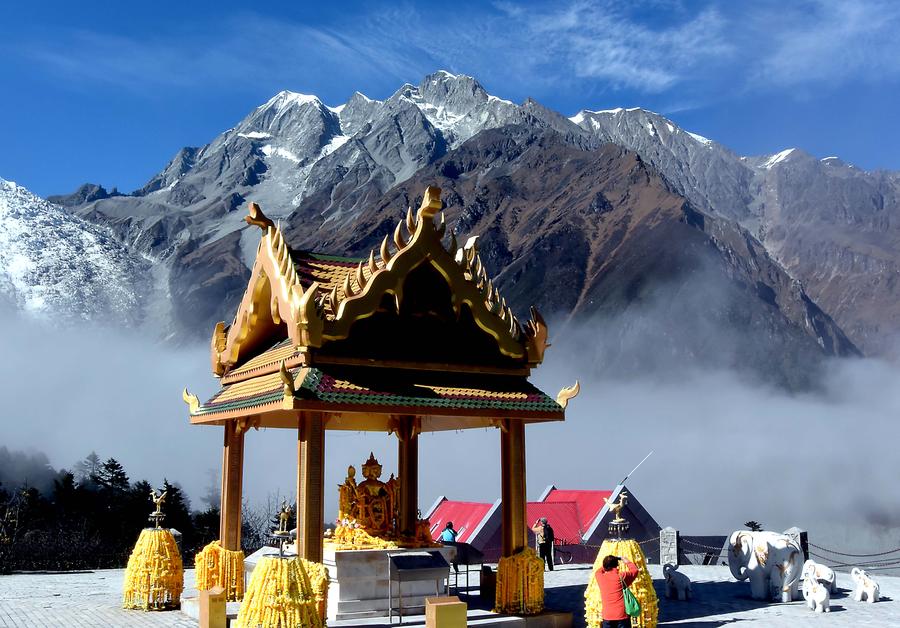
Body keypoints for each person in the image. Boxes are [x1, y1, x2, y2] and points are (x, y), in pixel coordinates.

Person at [595, 554, 639, 628]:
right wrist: (626, 561)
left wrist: (607, 563)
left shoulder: (599, 576)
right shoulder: (622, 576)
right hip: (622, 615)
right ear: (617, 565)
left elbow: (599, 571)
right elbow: (635, 570)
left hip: (607, 616)